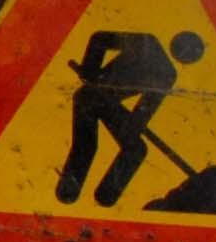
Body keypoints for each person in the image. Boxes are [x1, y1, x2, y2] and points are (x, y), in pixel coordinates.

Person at [58, 28, 203, 209]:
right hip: (89, 97)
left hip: (108, 104)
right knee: (86, 144)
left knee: (135, 149)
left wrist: (133, 125)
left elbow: (143, 111)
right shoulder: (147, 44)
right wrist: (91, 69)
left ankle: (105, 196)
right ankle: (68, 192)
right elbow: (99, 39)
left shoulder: (167, 75)